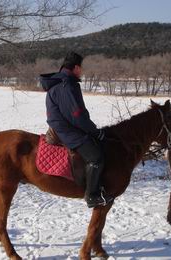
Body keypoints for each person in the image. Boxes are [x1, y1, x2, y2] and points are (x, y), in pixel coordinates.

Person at [40, 51, 113, 208]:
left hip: (63, 126)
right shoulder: (67, 85)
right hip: (67, 130)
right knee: (96, 157)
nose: (82, 71)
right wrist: (95, 132)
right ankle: (91, 195)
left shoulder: (60, 82)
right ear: (76, 68)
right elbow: (77, 116)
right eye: (81, 68)